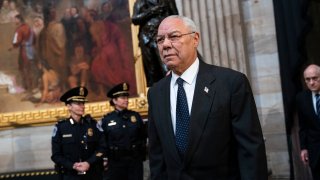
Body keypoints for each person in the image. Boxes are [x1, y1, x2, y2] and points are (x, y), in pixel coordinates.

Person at [147, 15, 268, 179]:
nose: (166, 45)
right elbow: (157, 158)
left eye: (174, 36)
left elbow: (250, 151)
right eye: (160, 40)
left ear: (195, 39)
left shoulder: (231, 83)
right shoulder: (156, 93)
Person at [51, 86, 106, 180]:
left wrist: (88, 162)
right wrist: (73, 166)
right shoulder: (61, 127)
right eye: (78, 103)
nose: (82, 106)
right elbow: (56, 155)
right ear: (69, 106)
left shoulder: (92, 125)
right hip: (70, 175)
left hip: (93, 174)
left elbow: (102, 148)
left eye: (83, 103)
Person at [100, 83, 147, 180]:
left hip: (135, 161)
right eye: (122, 98)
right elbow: (103, 141)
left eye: (126, 97)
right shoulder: (107, 120)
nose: (126, 100)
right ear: (114, 100)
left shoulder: (135, 116)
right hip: (116, 162)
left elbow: (143, 135)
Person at [132, 0, 178, 87]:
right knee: (152, 72)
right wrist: (152, 11)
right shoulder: (140, 2)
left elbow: (176, 17)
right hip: (147, 39)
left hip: (164, 36)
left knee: (167, 67)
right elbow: (135, 19)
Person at [296, 64, 320, 180]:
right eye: (308, 79)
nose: (311, 82)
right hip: (315, 151)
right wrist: (303, 148)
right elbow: (303, 126)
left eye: (315, 78)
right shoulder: (301, 98)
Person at [8, 14, 36, 98]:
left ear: (19, 20)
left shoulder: (19, 29)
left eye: (15, 20)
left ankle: (28, 89)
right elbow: (34, 39)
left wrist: (13, 46)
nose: (14, 21)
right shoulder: (29, 28)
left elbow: (16, 41)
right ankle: (31, 88)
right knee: (30, 69)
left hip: (24, 51)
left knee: (24, 69)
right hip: (31, 50)